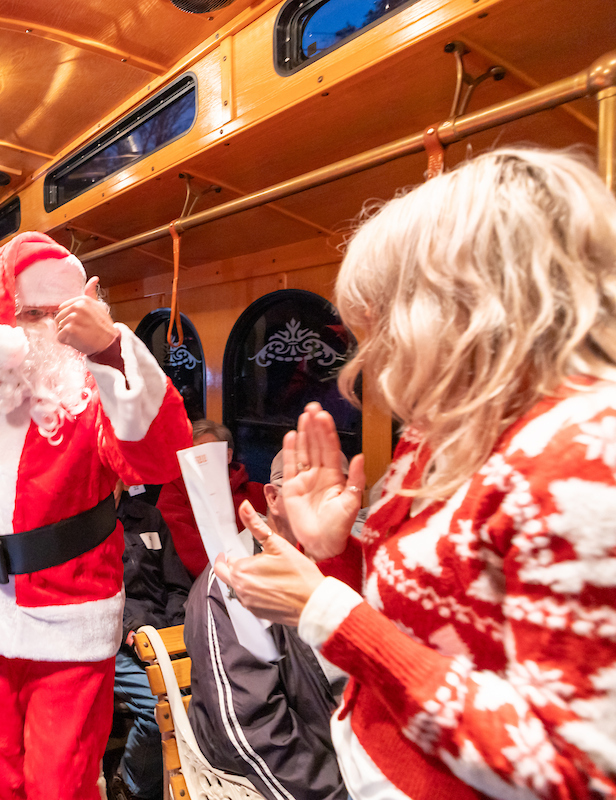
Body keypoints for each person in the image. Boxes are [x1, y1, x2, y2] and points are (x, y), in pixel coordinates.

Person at [214, 148, 616, 799]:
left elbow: (574, 775)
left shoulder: (584, 454)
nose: (370, 362)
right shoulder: (445, 435)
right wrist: (332, 554)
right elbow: (423, 624)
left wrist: (327, 612)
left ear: (468, 307)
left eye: (383, 330)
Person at [0, 231, 191, 800]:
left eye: (59, 313)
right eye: (33, 313)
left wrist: (110, 349)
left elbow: (158, 458)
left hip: (67, 618)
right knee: (0, 778)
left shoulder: (90, 387)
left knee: (59, 785)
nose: (49, 328)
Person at [185, 450, 351, 800]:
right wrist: (338, 792)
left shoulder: (356, 558)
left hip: (364, 757)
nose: (326, 505)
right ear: (273, 498)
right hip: (316, 771)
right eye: (307, 490)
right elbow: (253, 729)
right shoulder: (237, 579)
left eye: (338, 490)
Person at [110, 482, 192, 800]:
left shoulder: (149, 517)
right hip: (114, 641)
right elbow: (89, 598)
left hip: (164, 635)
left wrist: (179, 634)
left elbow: (177, 586)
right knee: (158, 710)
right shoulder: (81, 527)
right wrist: (132, 633)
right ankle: (131, 785)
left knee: (208, 694)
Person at [158, 419, 267, 579]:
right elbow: (187, 549)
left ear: (228, 456)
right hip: (206, 582)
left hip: (261, 578)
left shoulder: (257, 492)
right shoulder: (175, 491)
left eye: (205, 452)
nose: (198, 460)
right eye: (191, 453)